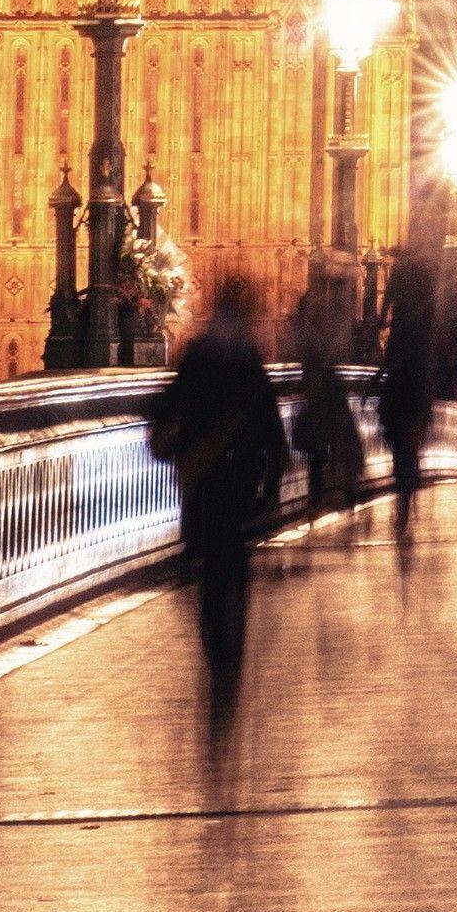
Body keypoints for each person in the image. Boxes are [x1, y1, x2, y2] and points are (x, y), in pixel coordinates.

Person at [145, 272, 293, 741]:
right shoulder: (249, 360)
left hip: (205, 481)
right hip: (238, 481)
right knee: (232, 568)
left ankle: (217, 655)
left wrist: (165, 444)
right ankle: (229, 662)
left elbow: (171, 406)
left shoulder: (199, 355)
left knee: (210, 576)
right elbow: (271, 425)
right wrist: (272, 481)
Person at [285, 268, 373, 519]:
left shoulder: (311, 315)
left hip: (317, 389)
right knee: (335, 438)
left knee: (319, 444)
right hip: (325, 388)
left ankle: (319, 494)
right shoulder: (331, 313)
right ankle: (341, 489)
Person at [377, 245, 440, 556]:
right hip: (416, 390)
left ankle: (404, 494)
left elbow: (388, 302)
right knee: (410, 445)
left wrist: (380, 320)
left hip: (400, 392)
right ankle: (408, 493)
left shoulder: (401, 274)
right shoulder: (426, 279)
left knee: (401, 448)